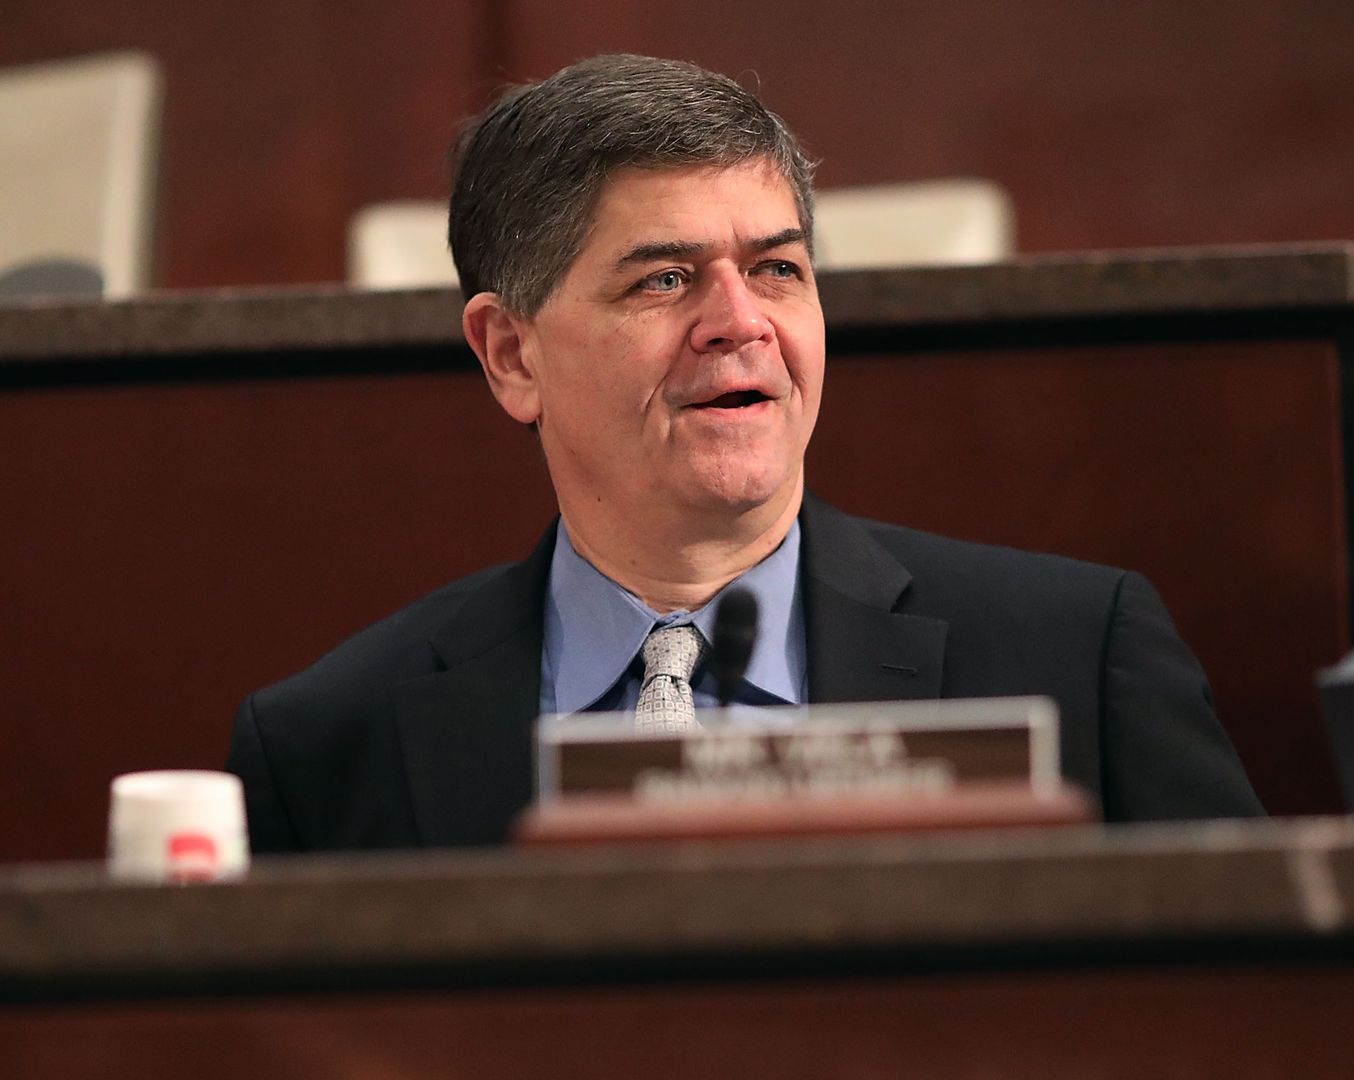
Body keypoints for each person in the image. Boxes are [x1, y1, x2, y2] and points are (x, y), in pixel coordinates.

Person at [227, 54, 1263, 851]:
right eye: (665, 280)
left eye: (776, 269)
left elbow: (1253, 1021)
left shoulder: (1074, 659)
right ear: (512, 354)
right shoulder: (326, 746)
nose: (741, 322)